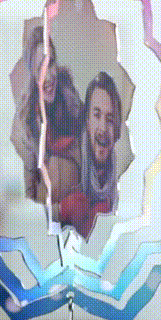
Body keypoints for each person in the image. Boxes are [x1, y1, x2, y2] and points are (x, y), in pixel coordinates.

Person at [11, 26, 83, 212]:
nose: (49, 76)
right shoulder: (26, 124)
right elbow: (29, 192)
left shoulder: (74, 107)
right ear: (33, 75)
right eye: (40, 68)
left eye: (50, 64)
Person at [60, 71, 122, 239]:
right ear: (87, 121)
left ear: (117, 129)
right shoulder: (66, 173)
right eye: (97, 115)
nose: (103, 128)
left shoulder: (124, 187)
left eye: (110, 119)